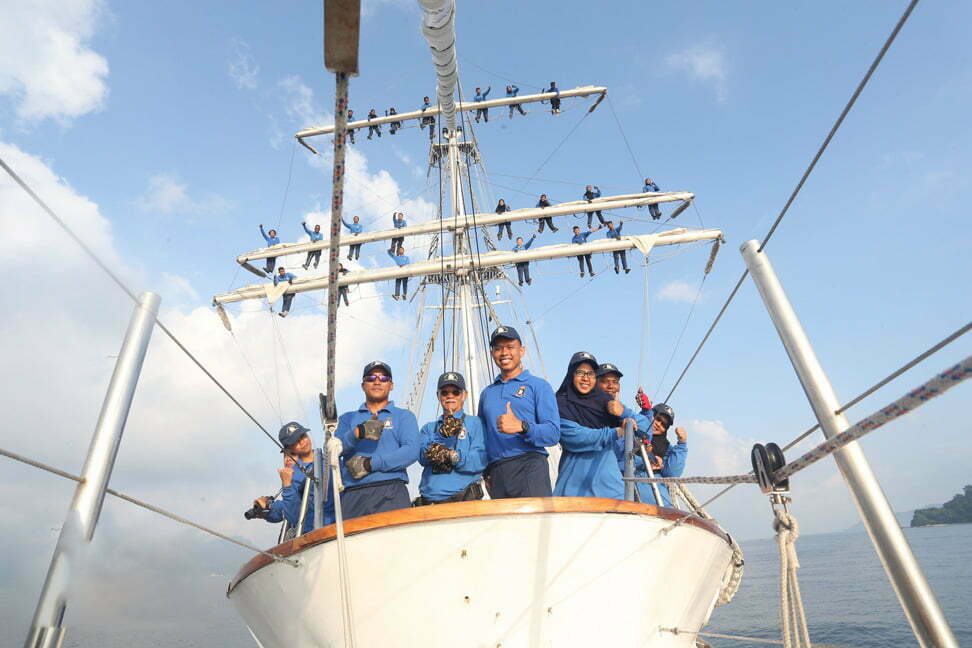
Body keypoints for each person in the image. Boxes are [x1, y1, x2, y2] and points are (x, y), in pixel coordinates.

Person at [330, 361, 420, 519]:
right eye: (371, 377)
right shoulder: (347, 419)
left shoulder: (404, 416)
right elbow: (334, 450)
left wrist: (370, 463)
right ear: (363, 385)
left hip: (391, 491)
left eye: (383, 378)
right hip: (353, 495)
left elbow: (411, 451)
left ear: (391, 385)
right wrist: (357, 433)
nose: (377, 381)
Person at [478, 326, 560, 498]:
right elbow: (483, 438)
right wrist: (486, 472)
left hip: (530, 466)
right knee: (503, 525)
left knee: (533, 524)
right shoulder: (487, 394)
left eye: (510, 347)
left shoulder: (538, 386)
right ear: (492, 353)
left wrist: (522, 426)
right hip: (497, 471)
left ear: (521, 350)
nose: (504, 352)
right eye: (498, 348)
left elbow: (553, 434)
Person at [553, 352, 626, 498]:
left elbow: (644, 429)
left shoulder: (608, 403)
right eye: (580, 372)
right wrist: (615, 432)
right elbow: (575, 437)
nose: (585, 378)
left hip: (609, 489)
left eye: (590, 373)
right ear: (571, 375)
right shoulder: (559, 404)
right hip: (572, 490)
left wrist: (625, 414)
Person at [415, 372, 488, 505]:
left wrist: (454, 457)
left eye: (455, 392)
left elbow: (480, 460)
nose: (450, 396)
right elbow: (421, 456)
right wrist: (441, 436)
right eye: (444, 392)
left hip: (465, 502)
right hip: (429, 504)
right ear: (438, 395)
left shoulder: (475, 423)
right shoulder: (428, 428)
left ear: (464, 395)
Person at [255, 421, 335, 535]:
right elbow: (291, 514)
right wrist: (267, 510)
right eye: (295, 442)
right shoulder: (294, 477)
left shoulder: (331, 461)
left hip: (340, 525)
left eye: (303, 436)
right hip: (312, 534)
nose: (302, 442)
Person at [630, 403, 687, 507]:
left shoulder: (666, 447)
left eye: (664, 424)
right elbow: (620, 458)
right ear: (650, 415)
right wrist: (647, 463)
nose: (659, 424)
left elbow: (672, 474)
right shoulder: (629, 431)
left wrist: (682, 444)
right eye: (657, 418)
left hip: (657, 499)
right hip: (626, 492)